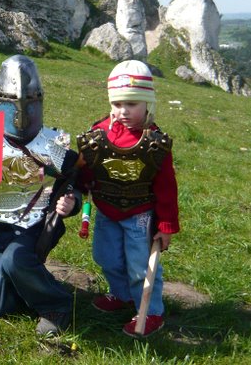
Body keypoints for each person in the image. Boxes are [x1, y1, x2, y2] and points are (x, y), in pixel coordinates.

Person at [0, 55, 82, 337]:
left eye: (30, 99)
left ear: (39, 100)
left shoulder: (54, 145)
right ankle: (30, 281)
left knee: (16, 260)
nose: (21, 109)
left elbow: (73, 186)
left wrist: (72, 204)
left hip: (35, 230)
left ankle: (57, 304)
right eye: (11, 99)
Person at [76, 60, 179, 337]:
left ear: (147, 103)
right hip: (107, 210)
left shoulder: (154, 143)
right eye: (118, 103)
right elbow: (90, 166)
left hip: (140, 215)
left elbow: (167, 186)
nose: (123, 111)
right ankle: (121, 294)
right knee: (106, 257)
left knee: (140, 267)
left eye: (132, 104)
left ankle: (152, 312)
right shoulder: (100, 133)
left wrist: (166, 224)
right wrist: (83, 179)